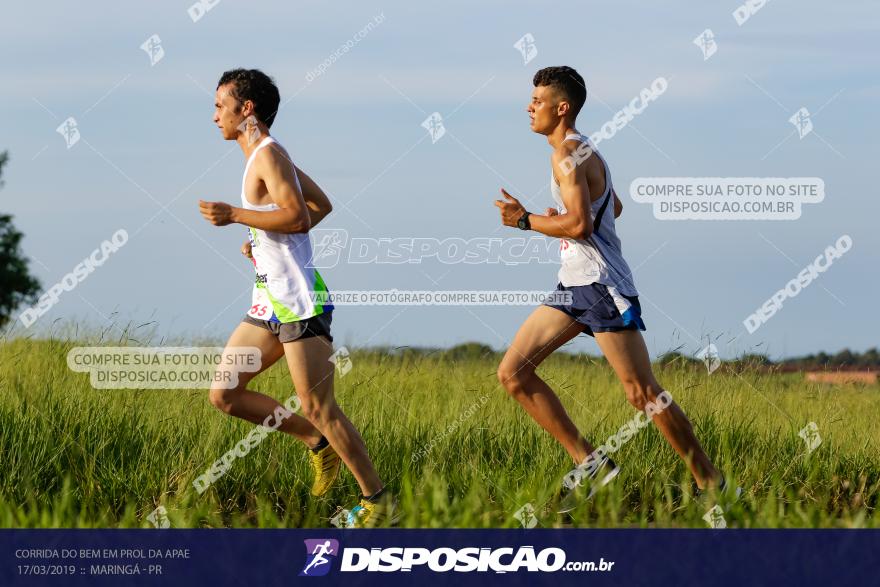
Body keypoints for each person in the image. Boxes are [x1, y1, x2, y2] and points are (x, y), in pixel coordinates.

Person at [494, 66, 734, 511]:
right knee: (513, 374)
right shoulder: (583, 151)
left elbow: (583, 224)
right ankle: (592, 465)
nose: (529, 107)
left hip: (602, 286)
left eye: (538, 101)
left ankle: (712, 482)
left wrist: (527, 220)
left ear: (561, 108)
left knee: (642, 393)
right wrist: (562, 217)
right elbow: (613, 207)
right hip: (574, 283)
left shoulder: (568, 153)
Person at [198, 68, 392, 527]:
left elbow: (300, 218)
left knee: (320, 406)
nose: (214, 117)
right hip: (268, 302)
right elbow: (317, 206)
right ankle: (316, 443)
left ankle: (378, 503)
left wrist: (236, 215)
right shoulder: (264, 154)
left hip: (299, 303)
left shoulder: (267, 154)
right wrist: (261, 239)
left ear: (247, 110)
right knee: (224, 394)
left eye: (219, 105)